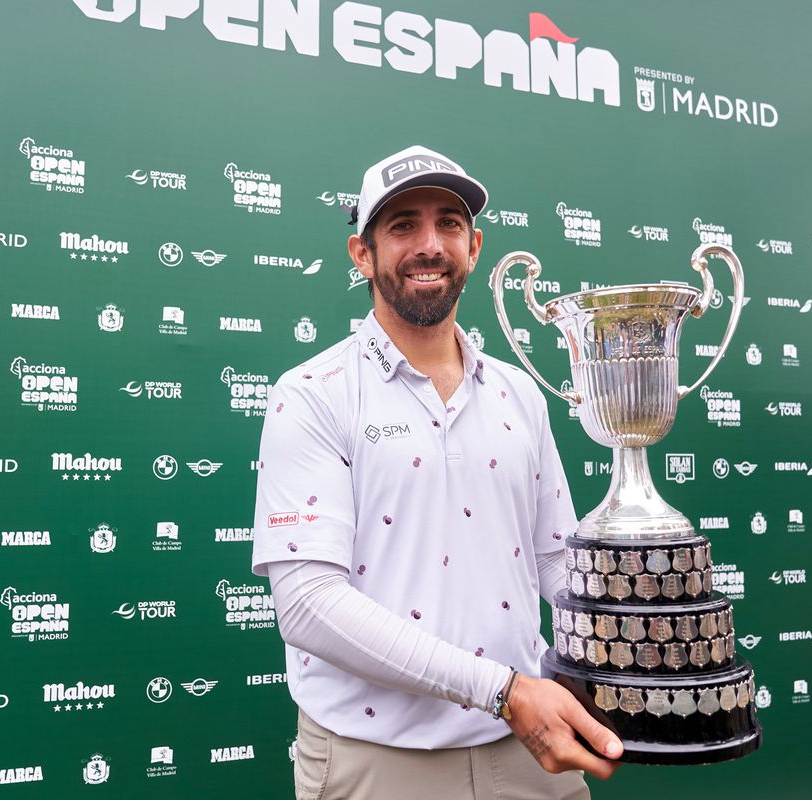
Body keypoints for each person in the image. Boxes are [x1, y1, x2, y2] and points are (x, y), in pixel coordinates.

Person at [251, 145, 622, 800]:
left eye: (448, 224)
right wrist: (504, 693)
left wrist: (636, 648)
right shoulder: (313, 392)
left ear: (474, 247)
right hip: (379, 761)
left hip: (531, 755)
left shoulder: (518, 394)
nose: (430, 245)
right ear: (361, 254)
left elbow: (557, 563)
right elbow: (308, 605)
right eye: (402, 226)